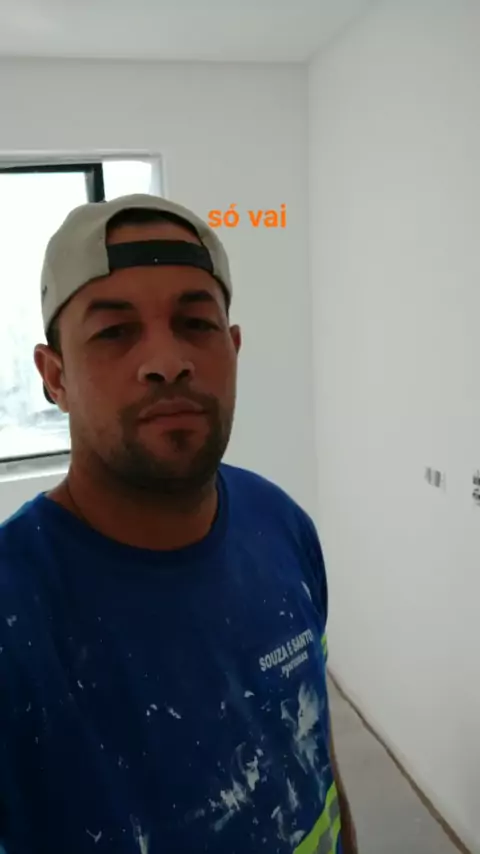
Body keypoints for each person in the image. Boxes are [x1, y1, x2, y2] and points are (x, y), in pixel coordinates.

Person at [0, 193, 358, 854]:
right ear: (55, 377)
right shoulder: (15, 614)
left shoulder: (281, 524)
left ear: (233, 348)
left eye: (196, 323)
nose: (167, 361)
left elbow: (315, 753)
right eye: (114, 331)